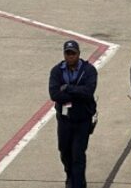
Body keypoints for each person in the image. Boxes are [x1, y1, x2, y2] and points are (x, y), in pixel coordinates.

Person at [49, 40, 98, 188]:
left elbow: (88, 92)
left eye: (73, 53)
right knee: (64, 151)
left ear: (79, 54)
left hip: (83, 119)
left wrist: (68, 88)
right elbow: (54, 94)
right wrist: (77, 93)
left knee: (78, 155)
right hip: (64, 120)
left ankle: (78, 184)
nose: (70, 56)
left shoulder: (89, 70)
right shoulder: (57, 71)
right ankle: (70, 175)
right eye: (67, 53)